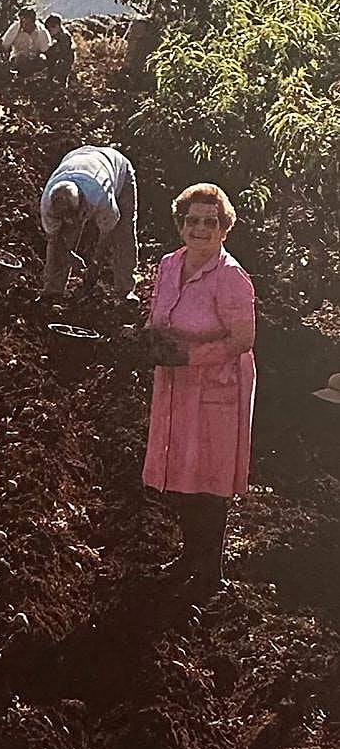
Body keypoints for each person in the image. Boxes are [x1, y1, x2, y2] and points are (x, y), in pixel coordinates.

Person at [142, 183, 257, 598]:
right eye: (193, 221)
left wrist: (191, 357)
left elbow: (242, 340)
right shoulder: (170, 265)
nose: (201, 229)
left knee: (210, 479)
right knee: (179, 471)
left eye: (211, 222)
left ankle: (210, 570)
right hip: (175, 383)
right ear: (181, 225)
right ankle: (191, 554)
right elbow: (158, 316)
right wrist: (147, 340)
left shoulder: (230, 278)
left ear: (225, 229)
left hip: (216, 387)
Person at [40, 146, 138, 300]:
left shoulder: (99, 195)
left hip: (118, 169)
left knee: (123, 232)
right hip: (77, 158)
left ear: (83, 201)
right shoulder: (48, 205)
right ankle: (52, 291)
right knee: (62, 239)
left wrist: (95, 264)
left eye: (75, 216)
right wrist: (68, 255)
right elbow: (54, 239)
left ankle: (125, 291)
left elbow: (107, 232)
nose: (72, 221)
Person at [1, 6, 51, 77]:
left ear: (33, 22)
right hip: (18, 59)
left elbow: (45, 49)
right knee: (21, 58)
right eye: (22, 21)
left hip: (35, 59)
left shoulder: (41, 31)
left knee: (42, 59)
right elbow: (5, 44)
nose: (24, 25)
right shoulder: (15, 28)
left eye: (27, 22)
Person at [44, 13, 75, 87]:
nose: (49, 29)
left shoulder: (64, 36)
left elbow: (64, 51)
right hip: (54, 57)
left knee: (62, 74)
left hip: (65, 58)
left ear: (58, 26)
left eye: (52, 27)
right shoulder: (50, 35)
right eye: (47, 27)